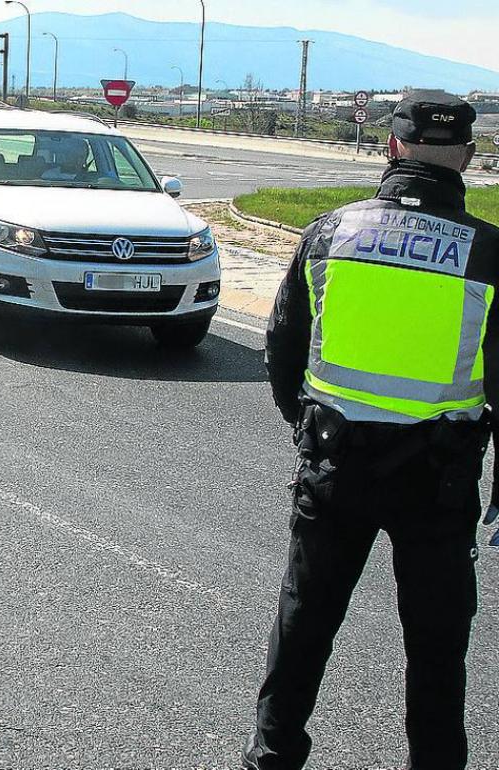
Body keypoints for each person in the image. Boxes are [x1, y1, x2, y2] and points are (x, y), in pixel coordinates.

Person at [244, 90, 499, 770]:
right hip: (439, 484)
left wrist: (308, 426)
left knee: (305, 626)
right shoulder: (489, 255)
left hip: (335, 466)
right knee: (437, 651)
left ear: (392, 147)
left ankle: (271, 757)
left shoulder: (330, 231)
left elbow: (281, 348)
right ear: (469, 159)